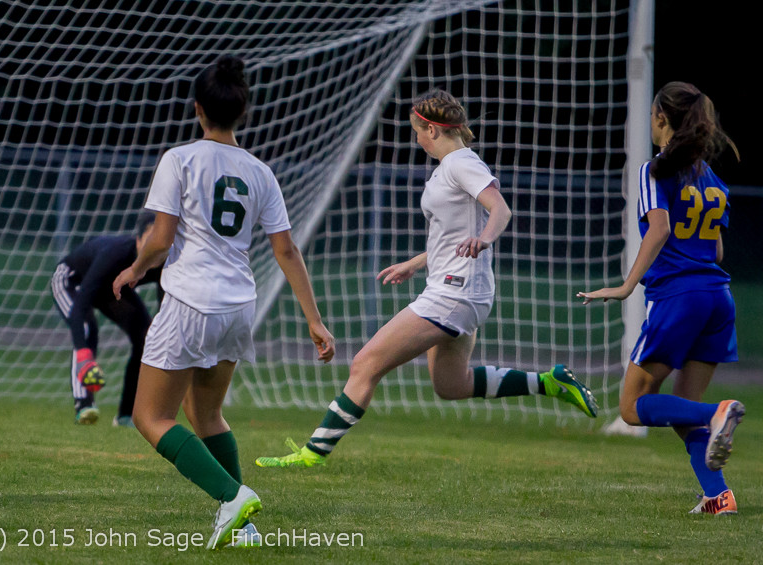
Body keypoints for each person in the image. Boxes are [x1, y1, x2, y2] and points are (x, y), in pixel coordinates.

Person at [256, 89, 597, 471]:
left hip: (454, 292)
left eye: (417, 131)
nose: (416, 138)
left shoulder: (460, 163)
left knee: (365, 363)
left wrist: (485, 240)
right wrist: (417, 263)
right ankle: (551, 383)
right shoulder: (450, 168)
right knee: (450, 385)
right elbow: (453, 234)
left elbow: (500, 209)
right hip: (459, 290)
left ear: (432, 129)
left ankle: (311, 454)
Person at [112, 54, 334, 550]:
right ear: (243, 112)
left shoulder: (180, 159)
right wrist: (314, 321)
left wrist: (136, 268)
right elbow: (286, 250)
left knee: (151, 417)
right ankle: (245, 528)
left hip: (191, 301)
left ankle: (233, 497)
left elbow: (161, 237)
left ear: (197, 110)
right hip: (239, 307)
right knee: (205, 414)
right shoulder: (259, 172)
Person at [578, 81, 745, 515]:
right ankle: (718, 496)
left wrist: (626, 285)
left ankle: (719, 411)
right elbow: (718, 250)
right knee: (682, 409)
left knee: (633, 407)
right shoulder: (714, 180)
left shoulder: (656, 170)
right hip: (718, 298)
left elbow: (660, 228)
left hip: (680, 297)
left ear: (660, 119)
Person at [50, 210, 162, 426]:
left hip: (112, 289)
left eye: (161, 240)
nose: (154, 247)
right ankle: (84, 405)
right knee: (86, 327)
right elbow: (82, 302)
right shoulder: (115, 254)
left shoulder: (163, 263)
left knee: (145, 338)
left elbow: (164, 308)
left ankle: (126, 415)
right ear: (138, 240)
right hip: (71, 281)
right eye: (150, 239)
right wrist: (84, 355)